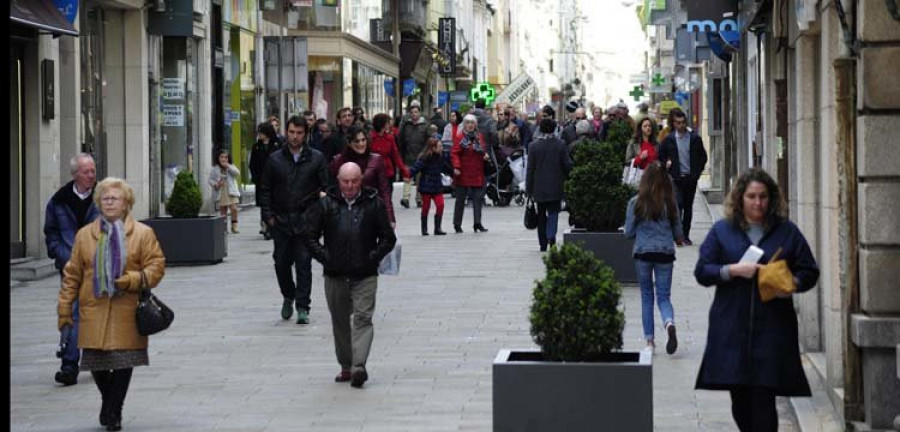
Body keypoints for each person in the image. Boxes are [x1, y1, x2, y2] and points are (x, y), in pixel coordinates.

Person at [694, 168, 820, 432]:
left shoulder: (786, 232)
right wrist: (732, 270)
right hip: (731, 330)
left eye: (763, 196)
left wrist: (792, 284)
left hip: (772, 331)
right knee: (741, 406)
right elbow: (702, 271)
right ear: (740, 198)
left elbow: (809, 270)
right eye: (751, 196)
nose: (758, 203)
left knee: (764, 404)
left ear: (771, 198)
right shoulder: (722, 231)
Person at [57, 177, 166, 431]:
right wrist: (64, 307)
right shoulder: (85, 235)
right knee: (95, 362)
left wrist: (132, 279)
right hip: (93, 308)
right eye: (104, 198)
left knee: (124, 361)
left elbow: (157, 268)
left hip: (126, 308)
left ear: (126, 202)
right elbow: (72, 274)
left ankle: (113, 412)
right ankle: (110, 404)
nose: (109, 201)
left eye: (114, 197)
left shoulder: (142, 234)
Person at [303, 162, 397, 388]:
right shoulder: (326, 205)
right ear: (338, 180)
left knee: (363, 318)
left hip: (365, 274)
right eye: (346, 181)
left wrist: (372, 257)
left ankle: (359, 367)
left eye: (355, 181)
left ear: (361, 180)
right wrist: (326, 257)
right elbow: (310, 236)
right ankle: (346, 365)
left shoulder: (374, 204)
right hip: (335, 274)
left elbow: (388, 238)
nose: (350, 186)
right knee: (340, 322)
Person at [258, 115, 329, 324]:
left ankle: (302, 306)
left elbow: (326, 188)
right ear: (286, 132)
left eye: (299, 133)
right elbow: (265, 190)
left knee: (304, 263)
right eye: (291, 132)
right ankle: (288, 295)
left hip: (306, 221)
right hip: (280, 220)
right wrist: (268, 216)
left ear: (305, 135)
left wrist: (318, 216)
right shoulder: (275, 159)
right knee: (281, 263)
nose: (295, 137)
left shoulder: (316, 158)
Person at [44, 153, 100, 386]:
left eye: (93, 171)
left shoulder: (104, 197)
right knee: (72, 312)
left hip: (99, 268)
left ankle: (100, 358)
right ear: (75, 174)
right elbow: (51, 231)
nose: (91, 176)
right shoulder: (58, 201)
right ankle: (69, 364)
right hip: (70, 266)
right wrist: (59, 252)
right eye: (87, 172)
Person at [624, 162, 683, 355]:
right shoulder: (670, 203)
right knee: (664, 297)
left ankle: (649, 341)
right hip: (665, 253)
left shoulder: (636, 202)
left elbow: (628, 232)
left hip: (643, 253)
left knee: (647, 296)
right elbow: (679, 234)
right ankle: (669, 323)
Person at [658, 108, 708, 246]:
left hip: (690, 179)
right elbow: (660, 155)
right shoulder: (669, 139)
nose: (681, 125)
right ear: (673, 124)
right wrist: (666, 164)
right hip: (676, 178)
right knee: (678, 206)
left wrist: (697, 173)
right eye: (678, 123)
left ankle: (686, 235)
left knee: (688, 207)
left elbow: (703, 157)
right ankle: (678, 235)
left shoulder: (694, 138)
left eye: (683, 122)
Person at [330, 126, 395, 226]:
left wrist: (390, 218)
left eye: (363, 140)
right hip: (345, 212)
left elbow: (384, 191)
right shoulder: (338, 161)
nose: (361, 144)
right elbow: (332, 189)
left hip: (370, 211)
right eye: (357, 141)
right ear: (349, 143)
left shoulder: (376, 160)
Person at [526, 118, 573, 251]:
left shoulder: (533, 146)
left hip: (539, 187)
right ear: (554, 129)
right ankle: (551, 236)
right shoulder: (560, 144)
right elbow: (567, 164)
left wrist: (529, 189)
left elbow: (530, 169)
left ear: (540, 129)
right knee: (553, 213)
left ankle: (542, 244)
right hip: (556, 185)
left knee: (541, 215)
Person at [451, 114, 490, 233]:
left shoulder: (479, 137)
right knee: (460, 199)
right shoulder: (459, 137)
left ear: (475, 125)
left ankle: (477, 223)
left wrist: (485, 155)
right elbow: (454, 153)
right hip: (463, 172)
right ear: (464, 124)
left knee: (478, 199)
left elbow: (482, 150)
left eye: (472, 123)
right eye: (467, 123)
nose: (470, 125)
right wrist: (456, 167)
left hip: (477, 171)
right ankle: (457, 224)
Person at [408, 137, 453, 236]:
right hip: (426, 185)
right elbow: (416, 168)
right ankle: (424, 229)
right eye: (440, 146)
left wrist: (454, 173)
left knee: (440, 205)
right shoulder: (425, 158)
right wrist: (407, 175)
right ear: (433, 148)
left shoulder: (440, 158)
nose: (442, 148)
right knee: (426, 207)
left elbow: (447, 168)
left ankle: (438, 228)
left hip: (437, 185)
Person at [251, 123, 282, 238]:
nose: (259, 135)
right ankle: (265, 226)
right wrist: (255, 177)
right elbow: (252, 164)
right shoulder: (256, 147)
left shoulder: (278, 145)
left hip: (275, 179)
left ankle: (274, 226)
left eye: (261, 133)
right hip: (261, 180)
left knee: (275, 203)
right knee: (264, 203)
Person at [398, 104, 429, 208]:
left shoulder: (424, 125)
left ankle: (419, 199)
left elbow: (428, 141)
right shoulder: (406, 125)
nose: (414, 114)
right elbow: (401, 141)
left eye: (416, 112)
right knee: (407, 177)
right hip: (408, 156)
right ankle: (406, 198)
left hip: (420, 157)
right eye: (412, 112)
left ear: (419, 113)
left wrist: (424, 152)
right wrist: (401, 155)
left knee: (420, 179)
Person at [370, 112, 410, 188]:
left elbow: (396, 155)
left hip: (388, 172)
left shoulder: (390, 138)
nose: (389, 124)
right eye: (387, 122)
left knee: (387, 197)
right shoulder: (370, 138)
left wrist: (404, 170)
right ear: (381, 124)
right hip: (375, 173)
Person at [209, 149, 241, 234]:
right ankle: (224, 228)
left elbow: (237, 173)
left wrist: (228, 166)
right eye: (221, 157)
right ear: (218, 158)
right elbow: (210, 180)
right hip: (221, 190)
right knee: (223, 211)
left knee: (234, 208)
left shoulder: (231, 166)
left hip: (231, 190)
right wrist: (216, 184)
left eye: (226, 157)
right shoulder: (214, 168)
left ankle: (234, 225)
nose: (223, 159)